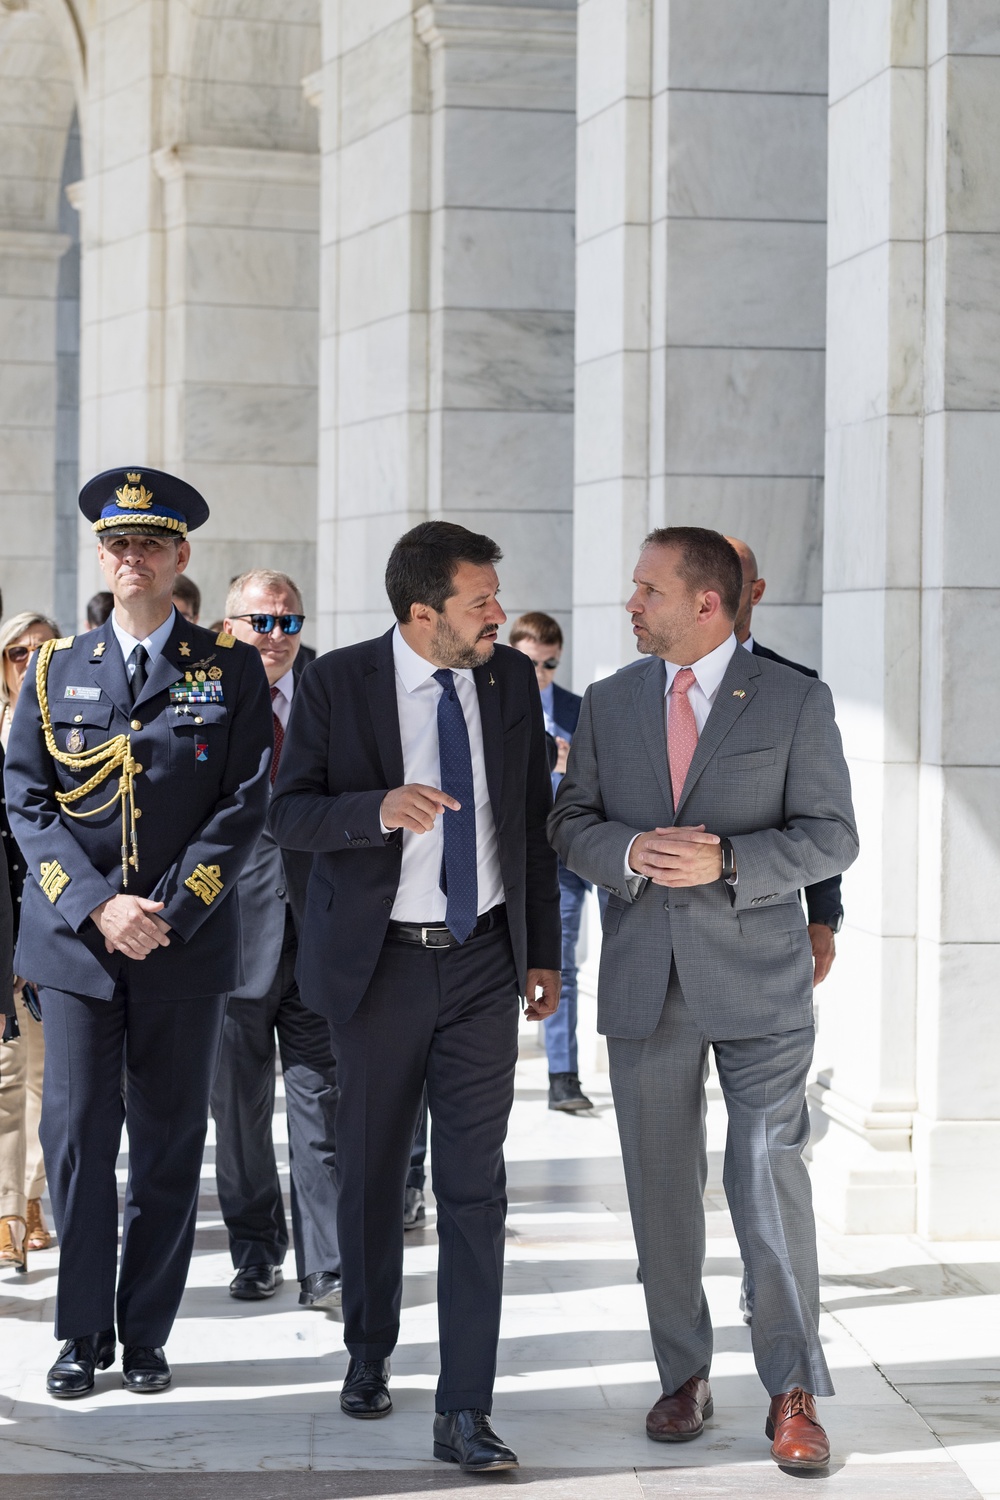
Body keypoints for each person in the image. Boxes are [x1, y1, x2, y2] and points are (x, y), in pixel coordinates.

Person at [549, 527, 858, 1472]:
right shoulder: (607, 703)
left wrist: (732, 860)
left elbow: (831, 835)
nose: (631, 603)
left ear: (706, 604)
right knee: (661, 1195)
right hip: (646, 982)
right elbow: (569, 822)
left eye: (647, 589)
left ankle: (793, 1389)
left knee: (768, 1181)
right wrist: (631, 854)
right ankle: (682, 1373)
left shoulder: (796, 699)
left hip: (760, 984)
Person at [269, 521, 561, 1474]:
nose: (498, 616)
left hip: (482, 962)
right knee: (371, 1168)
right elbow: (288, 814)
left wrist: (542, 955)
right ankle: (367, 1347)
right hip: (377, 966)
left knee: (475, 1187)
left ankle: (465, 1409)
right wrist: (375, 810)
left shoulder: (509, 681)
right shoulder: (337, 681)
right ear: (422, 613)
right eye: (482, 602)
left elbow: (530, 828)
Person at [5, 467, 272, 1399]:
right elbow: (26, 804)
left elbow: (243, 805)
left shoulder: (228, 667)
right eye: (117, 544)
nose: (131, 557)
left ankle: (147, 1333)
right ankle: (81, 1334)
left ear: (179, 557)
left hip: (180, 945)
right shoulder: (52, 669)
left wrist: (171, 909)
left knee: (164, 1146)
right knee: (77, 1144)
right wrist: (94, 906)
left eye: (150, 543)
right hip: (76, 950)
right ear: (103, 557)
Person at [210, 569, 341, 1311]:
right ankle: (255, 1247)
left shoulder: (331, 695)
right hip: (227, 939)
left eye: (288, 622)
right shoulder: (199, 694)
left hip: (320, 936)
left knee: (322, 1103)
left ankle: (325, 1263)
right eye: (260, 622)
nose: (275, 636)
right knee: (238, 1110)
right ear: (229, 625)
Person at [725, 536, 844, 986]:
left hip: (769, 919)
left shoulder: (799, 687)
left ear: (755, 592)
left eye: (730, 581)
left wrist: (823, 917)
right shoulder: (646, 685)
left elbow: (819, 811)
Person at [510, 612, 593, 1112]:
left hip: (588, 848)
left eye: (550, 662)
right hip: (545, 854)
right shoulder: (502, 705)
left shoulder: (579, 708)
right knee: (558, 962)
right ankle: (563, 1075)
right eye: (532, 662)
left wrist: (569, 768)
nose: (541, 671)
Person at [0, 611, 60, 1272]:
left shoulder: (75, 732)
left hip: (50, 924)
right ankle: (8, 1213)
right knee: (4, 1078)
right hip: (2, 927)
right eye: (17, 653)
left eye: (43, 652)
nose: (29, 663)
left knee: (46, 1081)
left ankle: (34, 1200)